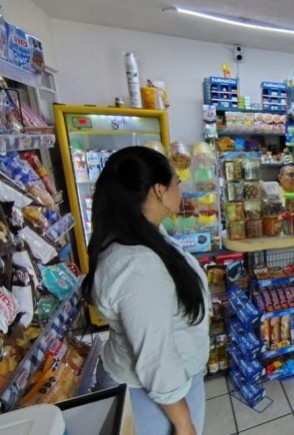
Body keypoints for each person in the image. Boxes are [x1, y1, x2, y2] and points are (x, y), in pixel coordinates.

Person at [82, 147, 211, 435]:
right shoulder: (139, 266)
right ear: (159, 191)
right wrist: (183, 423)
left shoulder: (142, 235)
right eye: (177, 182)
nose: (181, 190)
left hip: (163, 388)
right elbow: (157, 357)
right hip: (156, 399)